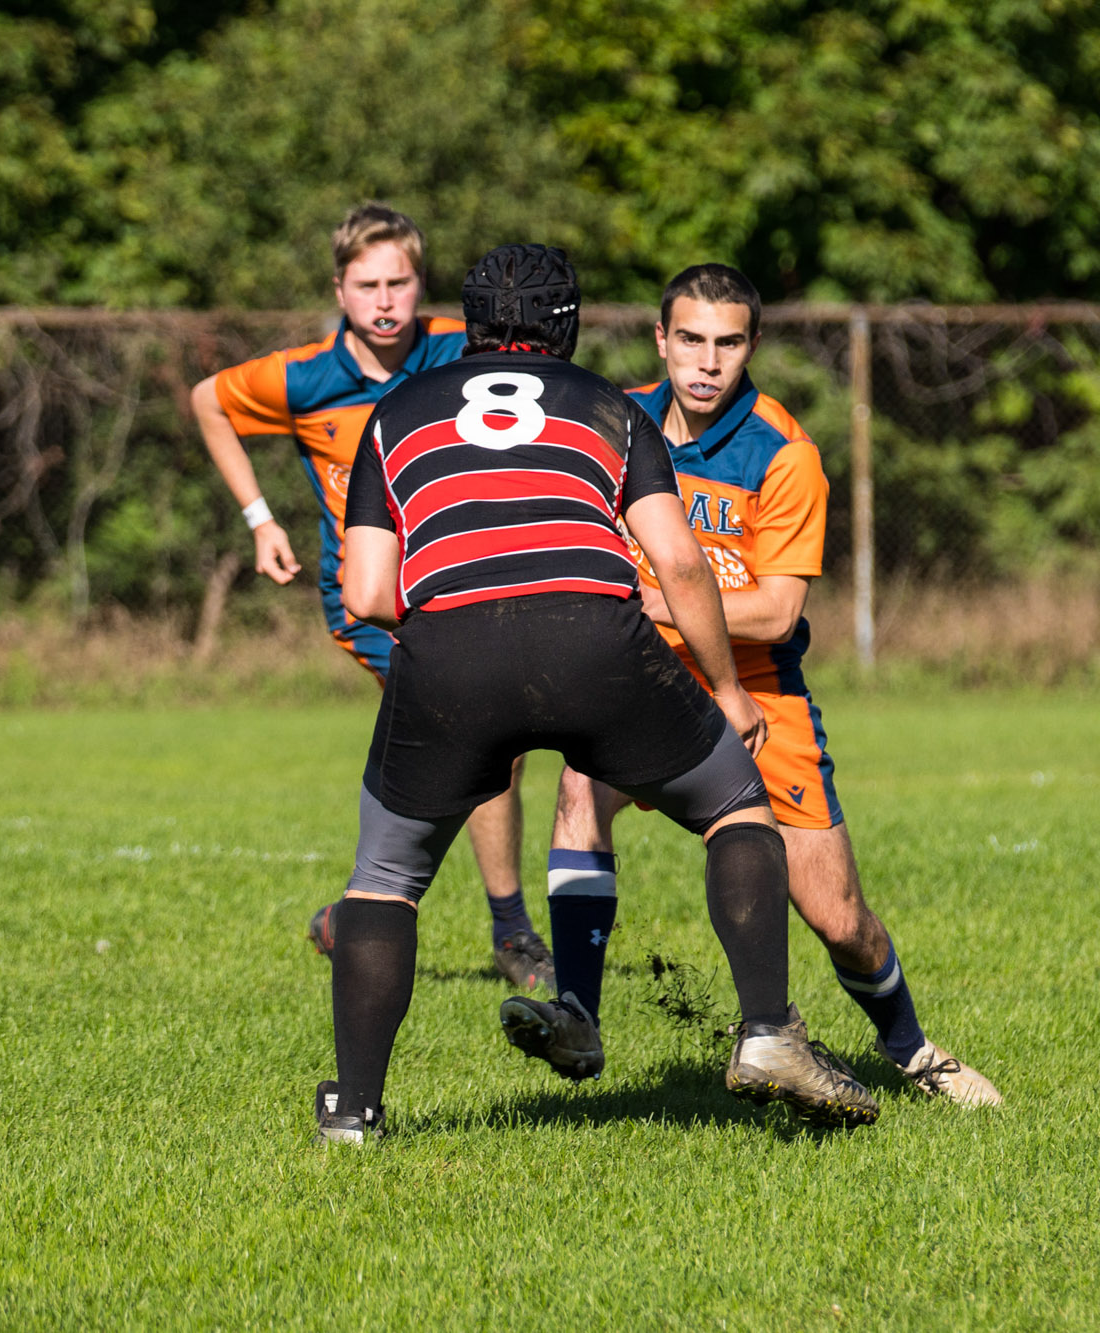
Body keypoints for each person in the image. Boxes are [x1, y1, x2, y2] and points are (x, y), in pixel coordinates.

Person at [312, 244, 877, 1143]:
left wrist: (466, 623)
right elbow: (682, 562)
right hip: (596, 640)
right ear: (566, 325)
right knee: (737, 807)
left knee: (383, 881)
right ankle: (768, 1030)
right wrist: (728, 690)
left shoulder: (396, 410)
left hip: (450, 652)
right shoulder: (609, 407)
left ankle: (354, 1112)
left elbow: (370, 593)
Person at [542, 264, 1001, 1106]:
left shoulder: (783, 454)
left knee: (840, 919)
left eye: (727, 343)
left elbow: (777, 613)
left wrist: (653, 594)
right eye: (689, 340)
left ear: (751, 346)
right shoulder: (615, 423)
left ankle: (911, 1050)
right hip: (641, 679)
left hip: (759, 699)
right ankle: (578, 1010)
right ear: (661, 341)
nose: (706, 362)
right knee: (579, 791)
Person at [190, 203, 550, 993]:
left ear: (422, 284)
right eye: (366, 285)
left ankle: (361, 914)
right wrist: (260, 520)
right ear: (339, 289)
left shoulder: (466, 349)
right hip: (371, 601)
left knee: (481, 747)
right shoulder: (306, 377)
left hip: (467, 584)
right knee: (482, 737)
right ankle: (510, 931)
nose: (385, 300)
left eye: (399, 282)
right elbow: (207, 401)